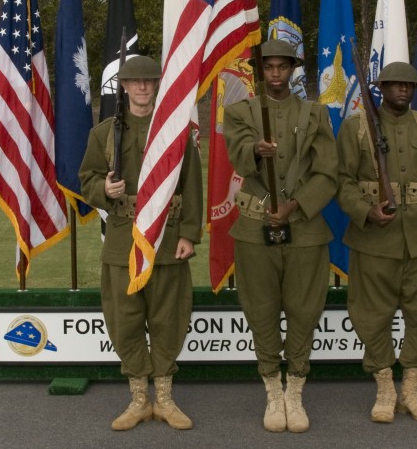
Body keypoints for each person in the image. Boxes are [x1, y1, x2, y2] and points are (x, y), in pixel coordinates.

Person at [79, 55, 202, 432]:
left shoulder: (176, 132)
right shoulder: (103, 134)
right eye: (135, 82)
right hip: (122, 240)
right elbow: (86, 180)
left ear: (157, 86)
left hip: (166, 239)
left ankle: (164, 398)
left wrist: (189, 234)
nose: (143, 87)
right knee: (125, 320)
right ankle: (138, 398)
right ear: (125, 87)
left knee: (168, 319)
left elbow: (192, 185)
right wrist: (105, 188)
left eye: (149, 81)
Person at [223, 39, 338, 434]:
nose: (275, 73)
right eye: (269, 67)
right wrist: (256, 150)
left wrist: (295, 206)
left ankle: (296, 390)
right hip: (255, 230)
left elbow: (328, 173)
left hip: (304, 228)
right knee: (261, 311)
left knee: (305, 311)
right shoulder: (241, 112)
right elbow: (235, 152)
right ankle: (273, 388)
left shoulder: (315, 113)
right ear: (260, 71)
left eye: (282, 67)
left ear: (293, 69)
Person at [336, 61, 417, 424]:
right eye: (395, 85)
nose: (402, 91)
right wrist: (366, 210)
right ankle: (385, 386)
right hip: (374, 239)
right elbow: (341, 181)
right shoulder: (356, 128)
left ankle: (412, 387)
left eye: (409, 86)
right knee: (371, 315)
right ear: (381, 88)